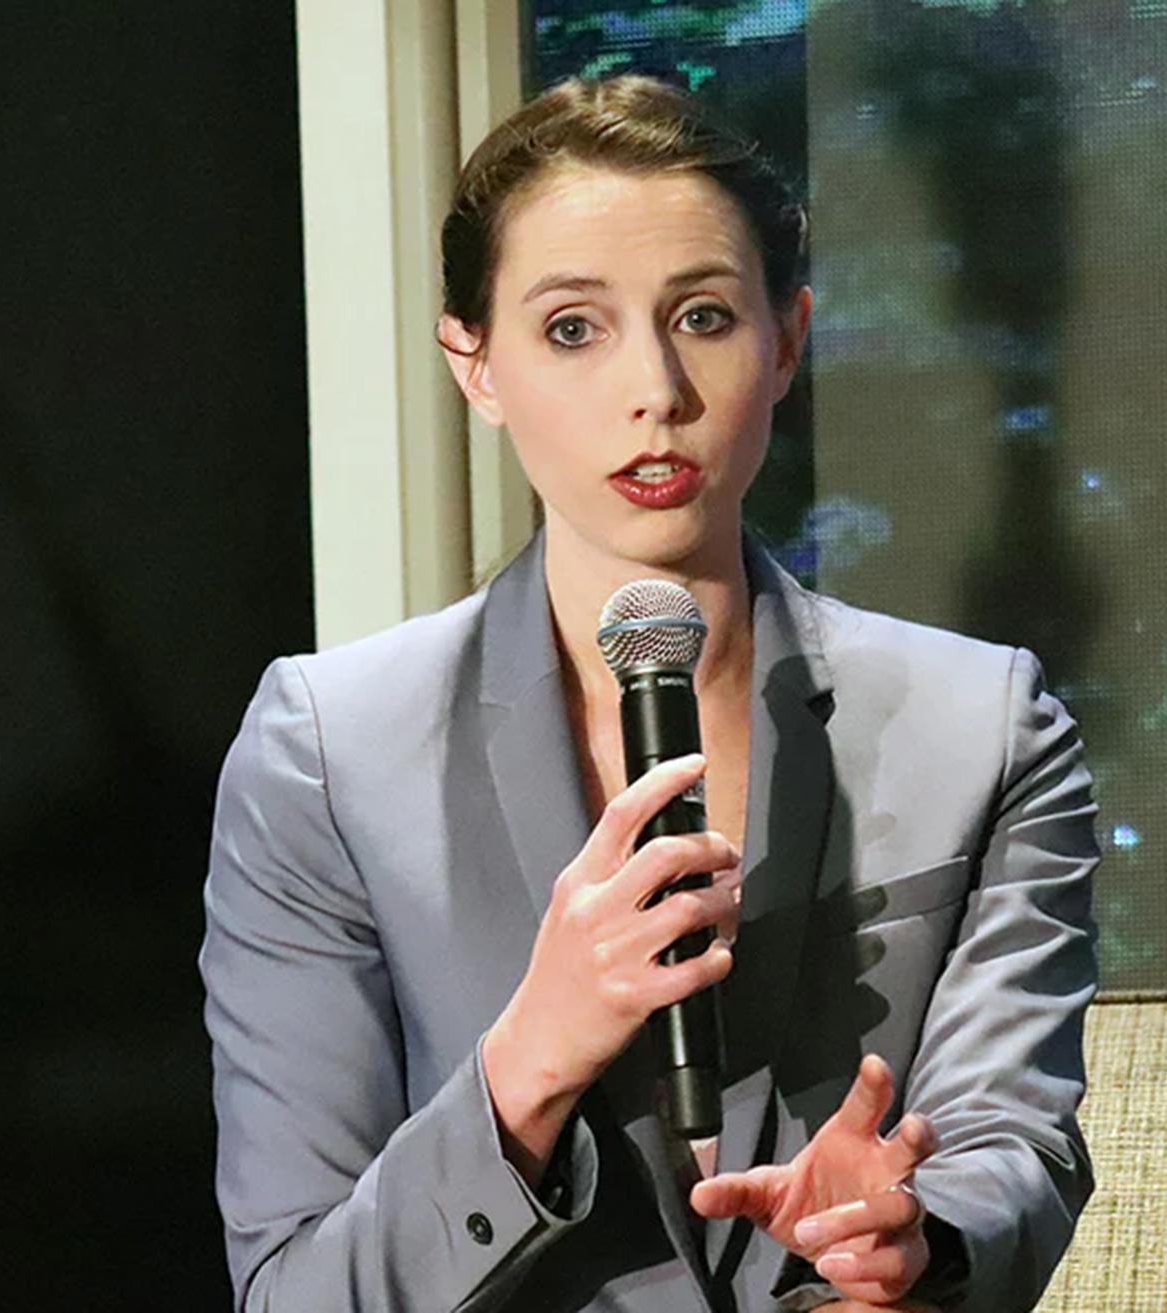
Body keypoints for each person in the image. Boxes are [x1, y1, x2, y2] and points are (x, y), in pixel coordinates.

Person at [199, 74, 1099, 1313]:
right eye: (574, 327)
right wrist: (529, 1060)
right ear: (475, 363)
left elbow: (1017, 1146)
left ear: (787, 339)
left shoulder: (983, 725)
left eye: (706, 317)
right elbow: (295, 1290)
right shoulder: (329, 753)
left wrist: (914, 1235)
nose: (656, 391)